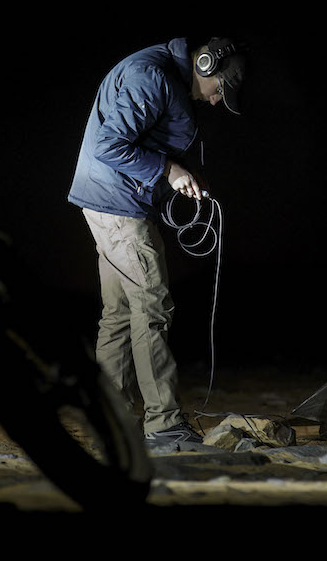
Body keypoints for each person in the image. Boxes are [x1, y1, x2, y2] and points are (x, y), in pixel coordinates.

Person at [67, 36, 247, 445]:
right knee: (153, 305)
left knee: (118, 314)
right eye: (220, 90)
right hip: (117, 206)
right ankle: (164, 426)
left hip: (108, 201)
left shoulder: (166, 77)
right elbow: (108, 145)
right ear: (205, 65)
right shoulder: (151, 76)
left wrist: (181, 173)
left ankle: (110, 425)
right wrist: (167, 170)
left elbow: (139, 142)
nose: (218, 101)